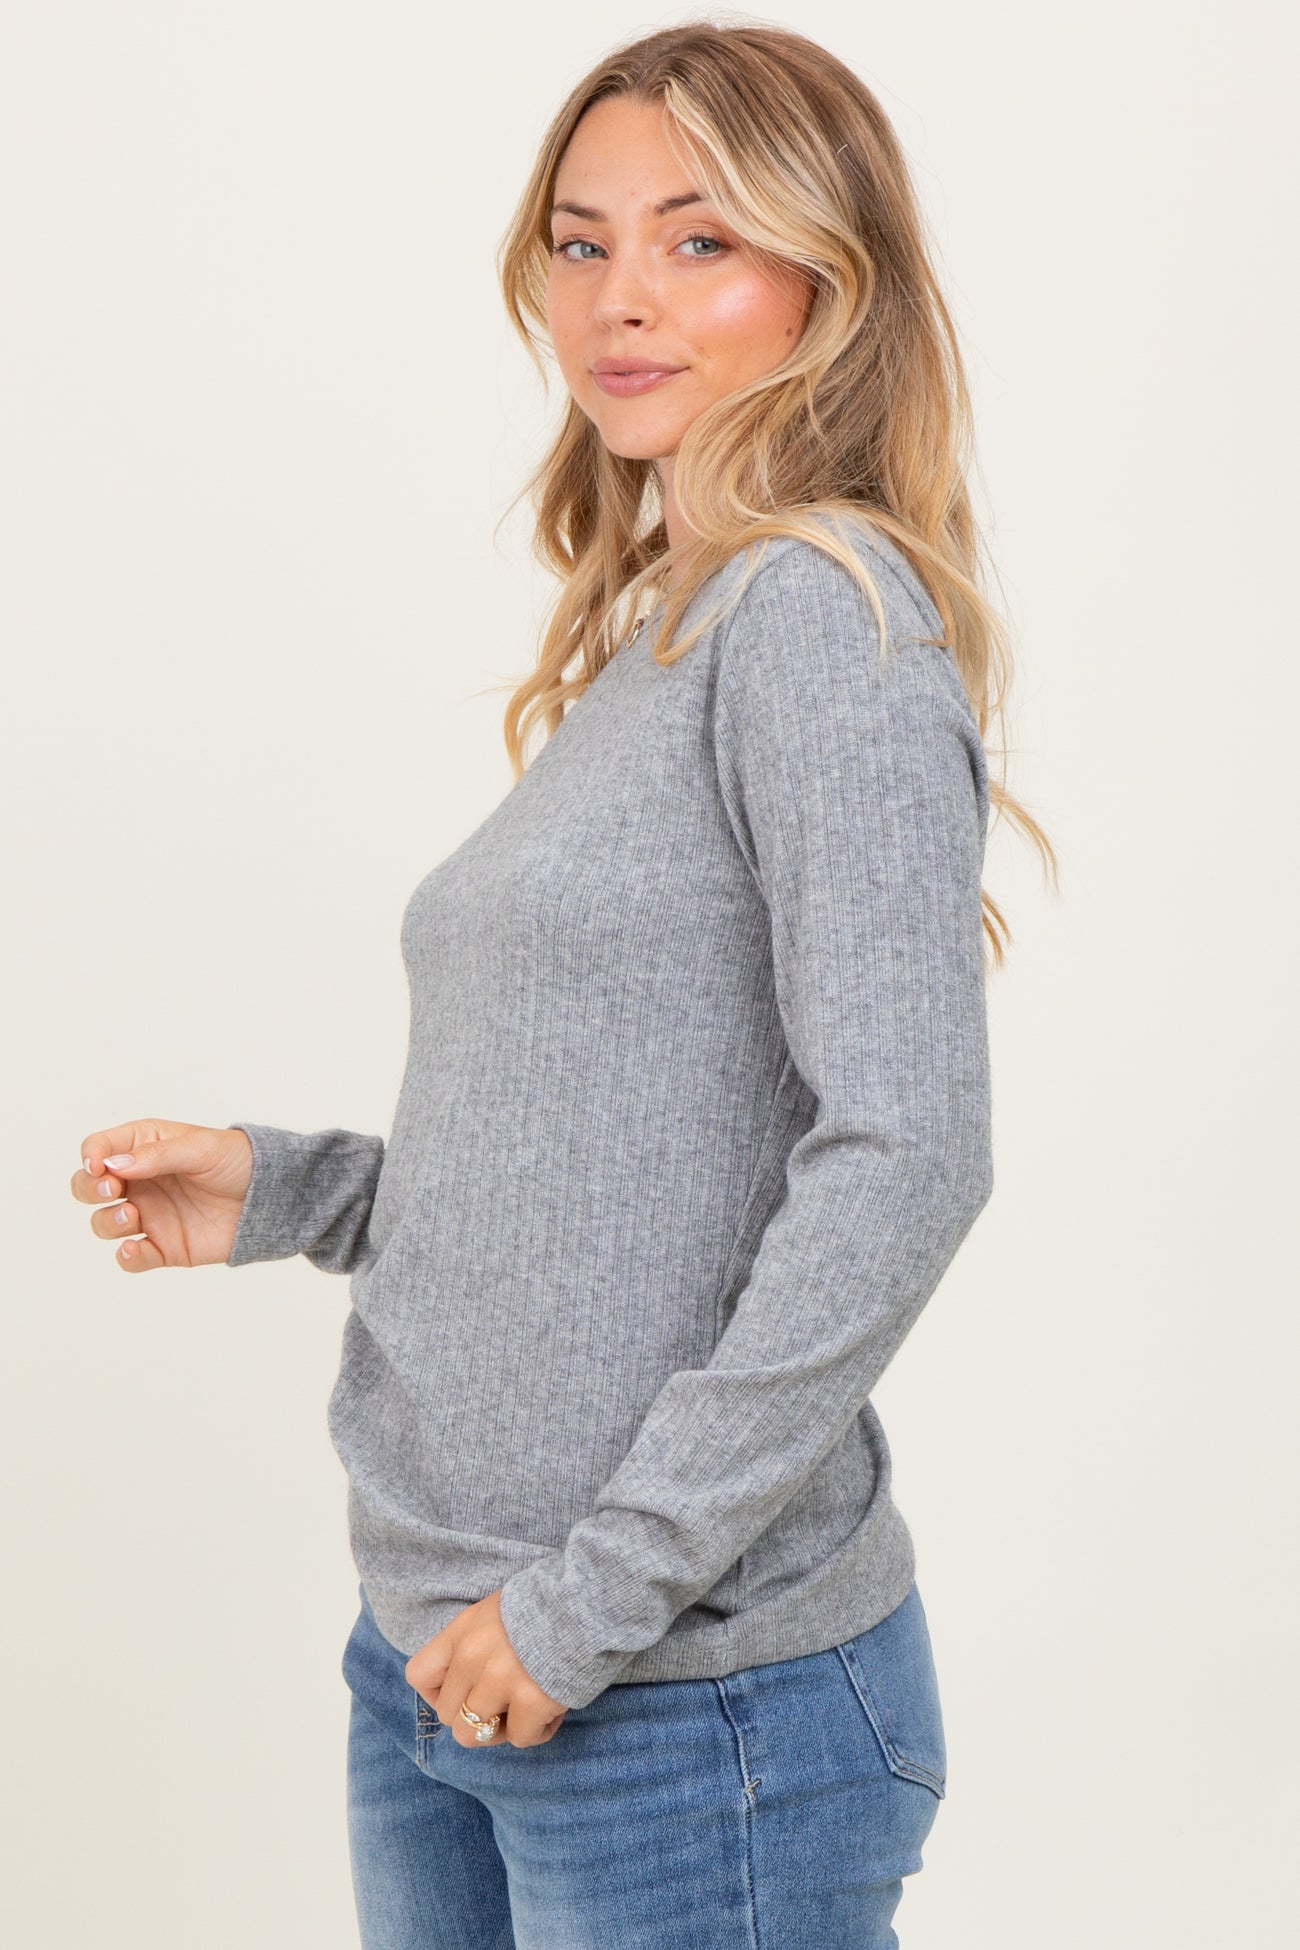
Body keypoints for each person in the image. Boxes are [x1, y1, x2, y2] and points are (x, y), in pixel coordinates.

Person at [71, 20, 1055, 1948]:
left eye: (701, 239)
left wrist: (593, 1597)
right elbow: (617, 1163)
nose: (622, 299)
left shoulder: (820, 616)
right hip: (440, 1658)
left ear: (829, 280)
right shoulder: (662, 631)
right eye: (582, 242)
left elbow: (907, 1155)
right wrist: (294, 1188)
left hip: (682, 1711)